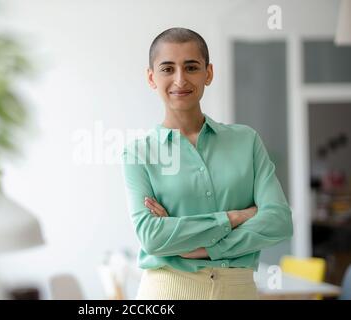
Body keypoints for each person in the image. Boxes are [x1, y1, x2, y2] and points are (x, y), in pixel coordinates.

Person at [121, 27, 293, 300]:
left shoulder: (246, 141)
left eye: (191, 67)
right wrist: (234, 217)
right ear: (151, 78)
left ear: (208, 73)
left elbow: (279, 222)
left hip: (239, 291)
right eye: (168, 69)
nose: (180, 80)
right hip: (168, 292)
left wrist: (197, 247)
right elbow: (152, 238)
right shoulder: (138, 154)